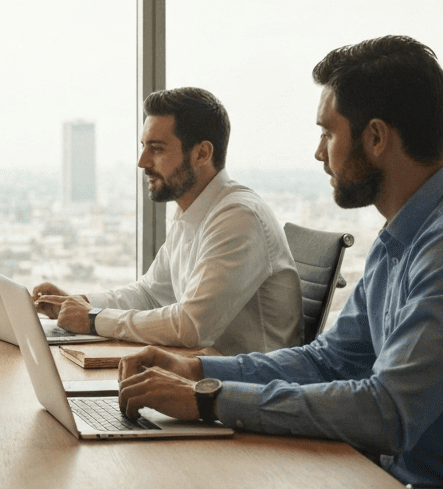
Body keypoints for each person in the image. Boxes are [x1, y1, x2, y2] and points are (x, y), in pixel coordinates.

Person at [116, 35, 443, 487]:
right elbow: (329, 361)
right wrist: (197, 371)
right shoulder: (399, 241)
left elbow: (387, 411)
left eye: (327, 133)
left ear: (375, 137)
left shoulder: (437, 249)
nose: (318, 152)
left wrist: (209, 399)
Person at [33, 87, 302, 356]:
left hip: (249, 389)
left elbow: (192, 326)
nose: (142, 162)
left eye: (157, 149)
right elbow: (149, 294)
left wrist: (93, 319)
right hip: (203, 374)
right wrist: (78, 304)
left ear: (201, 154)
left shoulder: (238, 218)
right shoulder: (195, 211)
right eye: (144, 147)